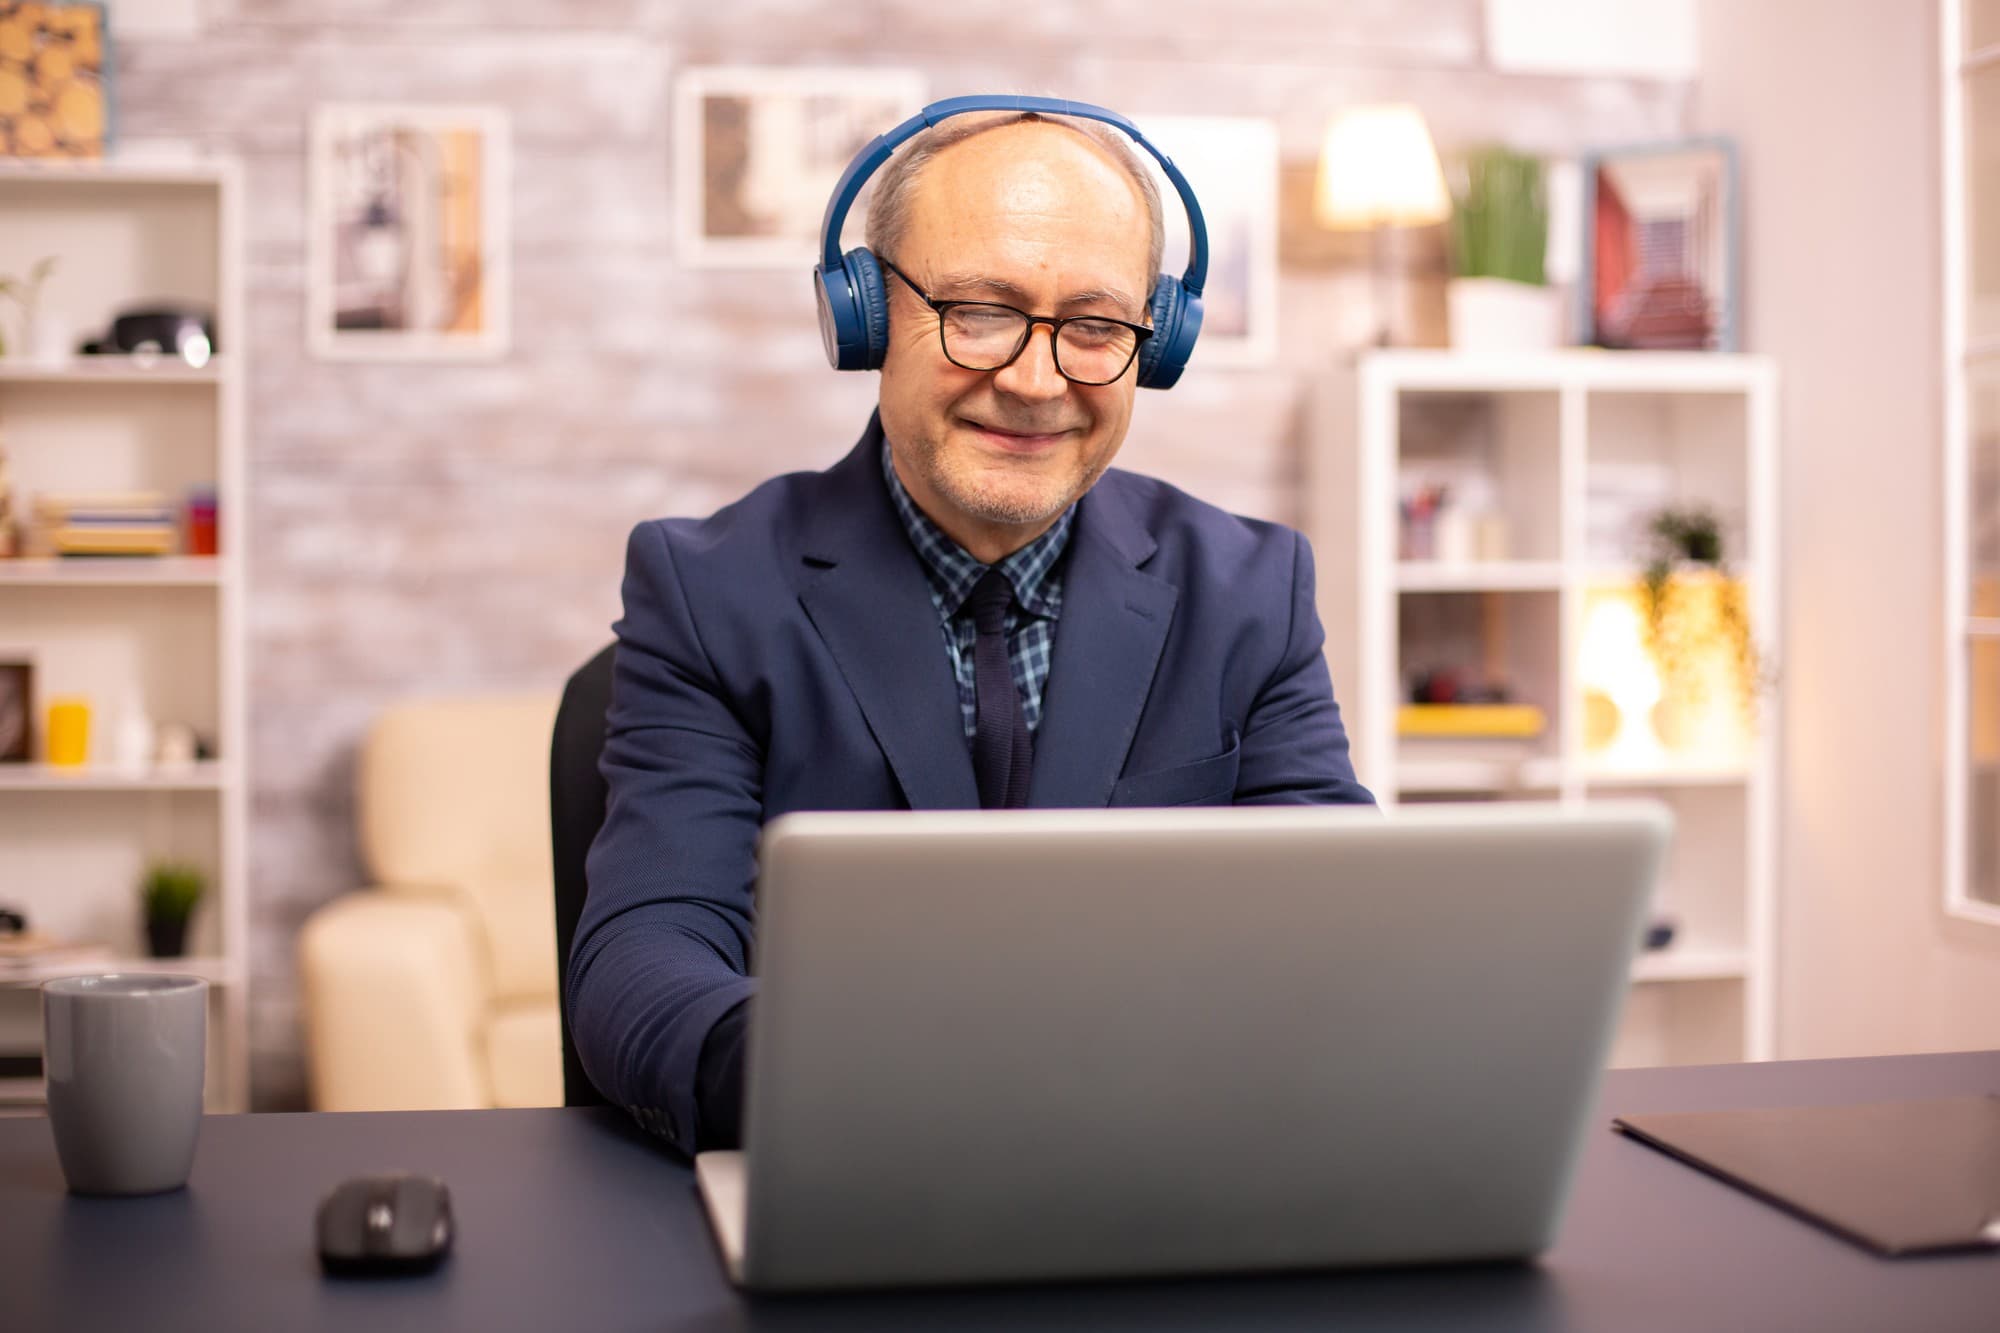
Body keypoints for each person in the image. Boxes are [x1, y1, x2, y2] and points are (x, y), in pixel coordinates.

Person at [568, 100, 1375, 1154]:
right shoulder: (708, 590)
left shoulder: (1251, 592)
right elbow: (644, 951)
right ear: (864, 317)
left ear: (1154, 344)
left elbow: (1336, 935)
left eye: (1093, 326)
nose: (1036, 382)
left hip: (1159, 1167)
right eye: (978, 311)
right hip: (848, 1163)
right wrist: (832, 1084)